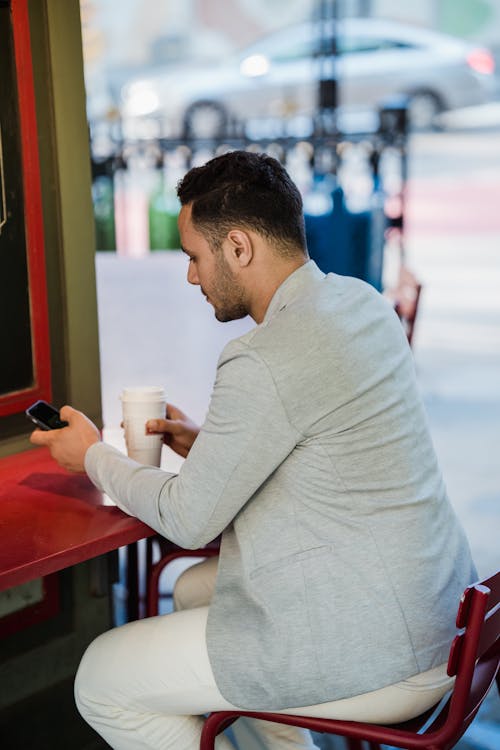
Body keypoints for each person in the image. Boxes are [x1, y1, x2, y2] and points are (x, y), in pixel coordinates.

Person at [32, 150, 477, 750]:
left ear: (238, 247)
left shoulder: (263, 356)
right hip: (440, 614)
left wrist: (92, 455)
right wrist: (208, 448)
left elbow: (190, 521)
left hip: (380, 648)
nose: (191, 276)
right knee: (192, 591)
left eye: (195, 256)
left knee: (101, 678)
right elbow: (323, 447)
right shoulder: (360, 303)